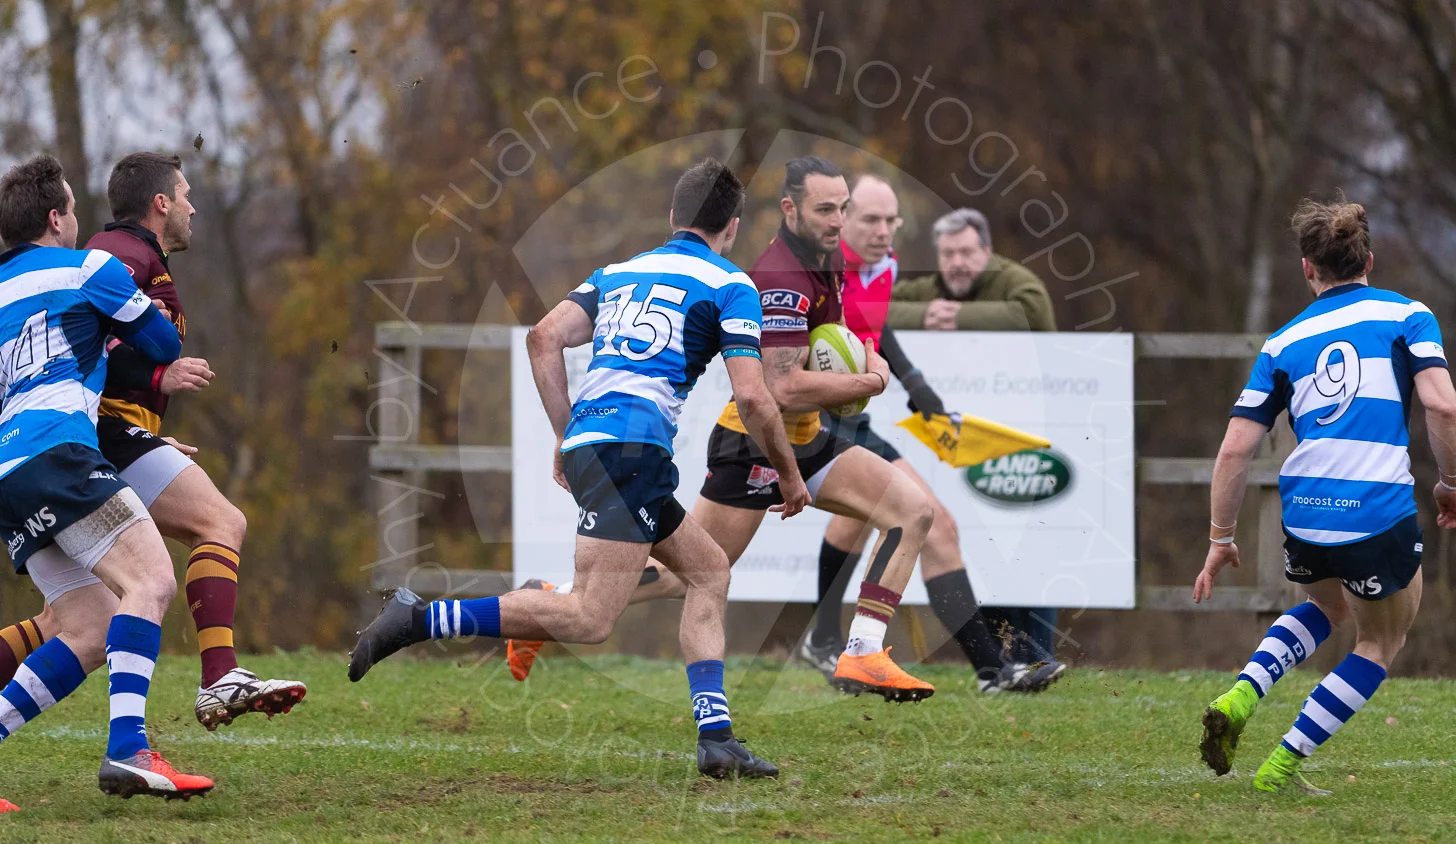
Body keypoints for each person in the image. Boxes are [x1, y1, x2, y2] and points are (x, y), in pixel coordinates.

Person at [348, 158, 809, 780]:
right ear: (731, 227)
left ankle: (717, 738)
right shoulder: (732, 284)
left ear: (673, 217)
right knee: (592, 618)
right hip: (633, 450)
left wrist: (568, 436)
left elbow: (542, 337)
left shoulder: (618, 273)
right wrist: (788, 471)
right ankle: (420, 619)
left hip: (606, 444)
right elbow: (755, 398)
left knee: (708, 570)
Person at [518, 157, 940, 703]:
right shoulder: (781, 279)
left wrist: (858, 364)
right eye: (824, 209)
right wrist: (869, 383)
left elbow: (818, 355)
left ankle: (863, 653)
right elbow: (780, 389)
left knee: (912, 511)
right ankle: (549, 601)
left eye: (843, 208)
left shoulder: (827, 258)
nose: (838, 220)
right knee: (685, 575)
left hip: (805, 438)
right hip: (754, 444)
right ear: (789, 209)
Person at [0, 152, 306, 731]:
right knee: (199, 539)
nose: (194, 205)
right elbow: (126, 345)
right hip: (85, 441)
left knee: (79, 621)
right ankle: (203, 688)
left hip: (34, 455)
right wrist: (156, 380)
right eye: (186, 193)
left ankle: (203, 689)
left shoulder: (101, 264)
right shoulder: (111, 257)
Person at [1194, 197, 1456, 795]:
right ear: (1368, 259)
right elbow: (1442, 405)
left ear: (1307, 269)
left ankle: (1243, 693)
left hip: (1307, 514)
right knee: (1380, 640)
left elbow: (1235, 449)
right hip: (1374, 512)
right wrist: (1453, 485)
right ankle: (1283, 766)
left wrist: (1221, 539)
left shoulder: (1281, 341)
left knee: (1327, 608)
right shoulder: (1408, 316)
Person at [795, 176, 1062, 693]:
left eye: (890, 220)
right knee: (926, 519)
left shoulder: (884, 265)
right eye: (869, 219)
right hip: (810, 419)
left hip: (852, 418)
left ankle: (984, 670)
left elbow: (874, 325)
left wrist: (916, 387)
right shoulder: (816, 266)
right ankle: (986, 669)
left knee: (894, 523)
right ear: (842, 219)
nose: (882, 230)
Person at [0, 154, 213, 801]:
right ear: (58, 217)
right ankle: (128, 748)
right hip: (60, 455)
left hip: (8, 476)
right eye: (71, 207)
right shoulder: (89, 268)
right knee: (149, 580)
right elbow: (164, 343)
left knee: (89, 626)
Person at [887, 208, 1062, 669]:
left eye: (966, 252)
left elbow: (1033, 313)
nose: (957, 263)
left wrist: (958, 317)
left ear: (987, 250)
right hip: (959, 443)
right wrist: (928, 314)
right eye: (947, 254)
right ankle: (1005, 660)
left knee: (1028, 548)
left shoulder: (1014, 280)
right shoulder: (928, 290)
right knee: (976, 550)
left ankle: (1037, 655)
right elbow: (876, 309)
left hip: (1020, 434)